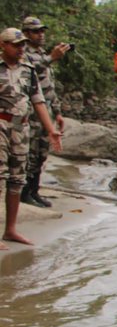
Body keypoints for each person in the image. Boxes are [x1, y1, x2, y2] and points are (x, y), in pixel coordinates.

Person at [1, 28, 63, 249]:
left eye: (22, 45)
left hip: (22, 128)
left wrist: (51, 129)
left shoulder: (28, 70)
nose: (20, 49)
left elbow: (38, 101)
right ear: (3, 45)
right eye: (16, 45)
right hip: (1, 125)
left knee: (17, 178)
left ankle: (10, 230)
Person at [19, 16, 69, 208]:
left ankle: (34, 191)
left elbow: (48, 87)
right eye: (35, 31)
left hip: (46, 110)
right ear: (26, 34)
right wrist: (50, 59)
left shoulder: (41, 53)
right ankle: (25, 193)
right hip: (32, 112)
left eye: (42, 31)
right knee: (31, 153)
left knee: (42, 152)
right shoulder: (23, 54)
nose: (40, 35)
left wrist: (57, 112)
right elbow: (28, 73)